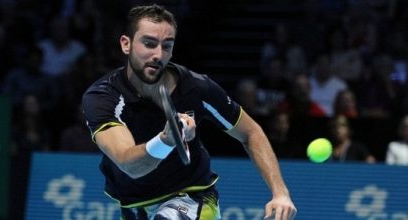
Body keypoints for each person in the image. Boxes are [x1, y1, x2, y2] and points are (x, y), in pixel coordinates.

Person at [82, 4, 296, 220]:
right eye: (149, 44)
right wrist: (166, 140)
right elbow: (129, 164)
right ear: (126, 44)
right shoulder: (103, 97)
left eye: (167, 46)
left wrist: (280, 193)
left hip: (190, 198)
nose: (158, 54)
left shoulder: (197, 88)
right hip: (134, 207)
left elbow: (250, 133)